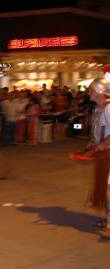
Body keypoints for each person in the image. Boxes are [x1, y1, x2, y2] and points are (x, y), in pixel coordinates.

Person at [86, 64, 110, 239]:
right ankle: (108, 219)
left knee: (108, 190)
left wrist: (104, 144)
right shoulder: (98, 108)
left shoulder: (109, 108)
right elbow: (98, 131)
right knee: (103, 188)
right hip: (104, 154)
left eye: (92, 90)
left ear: (101, 91)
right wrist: (93, 144)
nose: (89, 93)